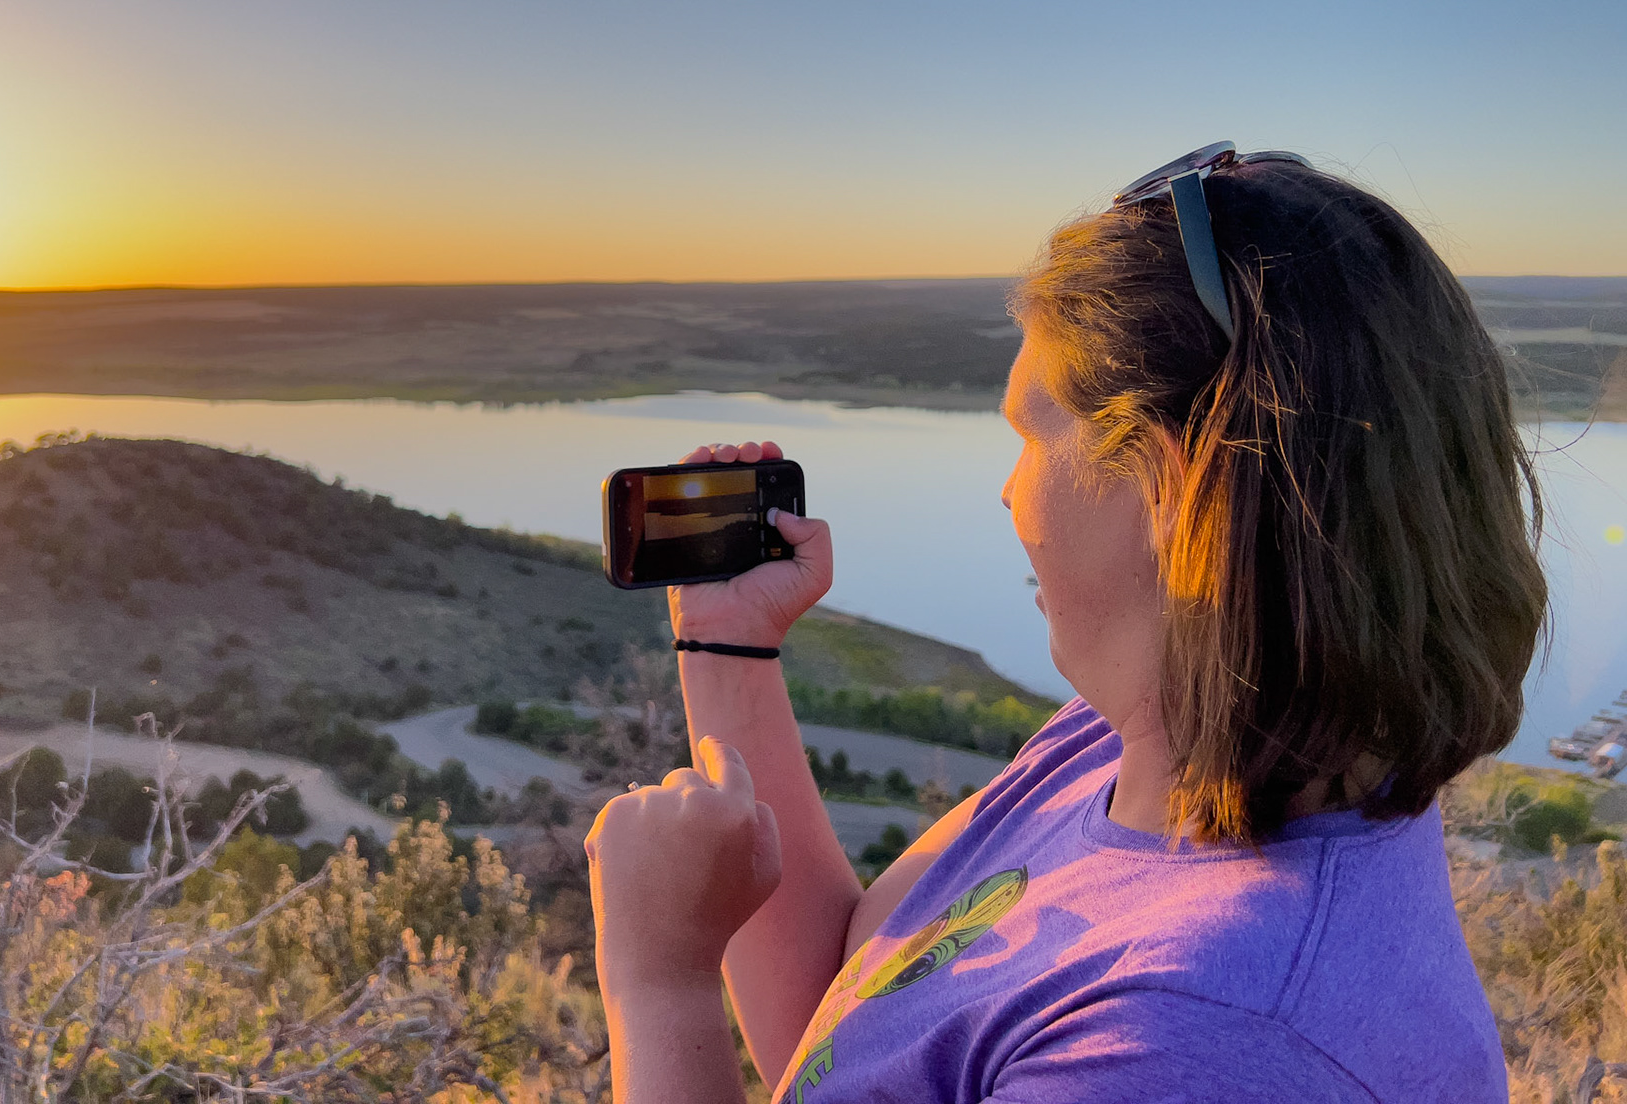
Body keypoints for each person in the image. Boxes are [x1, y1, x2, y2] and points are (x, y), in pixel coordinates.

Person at [584, 146, 1547, 1103]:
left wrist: (659, 987)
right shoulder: (1144, 739)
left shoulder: (1199, 1041)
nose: (1009, 493)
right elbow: (837, 1015)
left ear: (1174, 484)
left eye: (1031, 435)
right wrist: (729, 650)